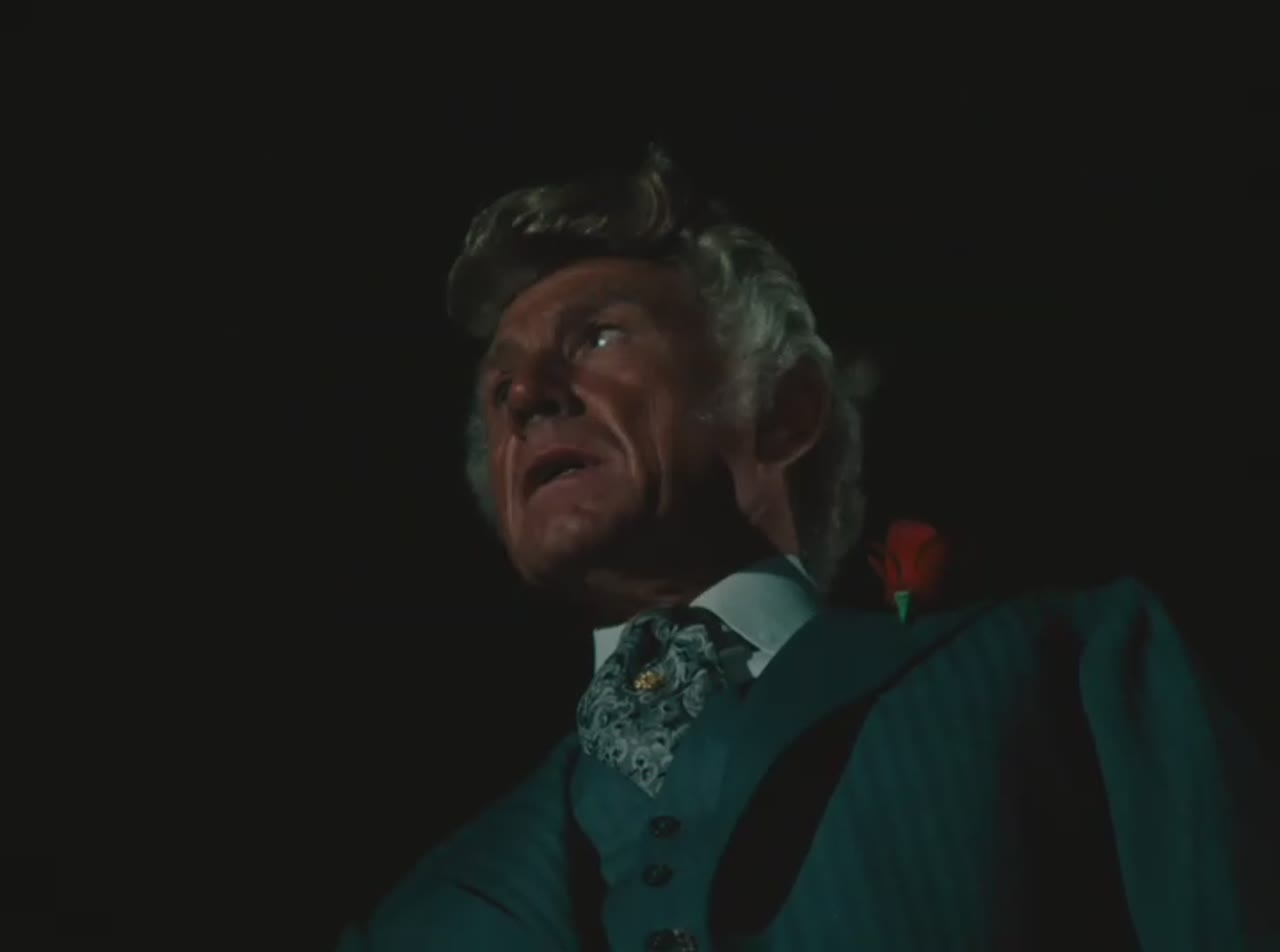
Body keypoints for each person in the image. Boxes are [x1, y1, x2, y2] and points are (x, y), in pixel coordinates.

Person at [336, 147, 1278, 950]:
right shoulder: (413, 919)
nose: (525, 395)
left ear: (782, 410)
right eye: (498, 386)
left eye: (599, 337)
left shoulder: (1074, 672)